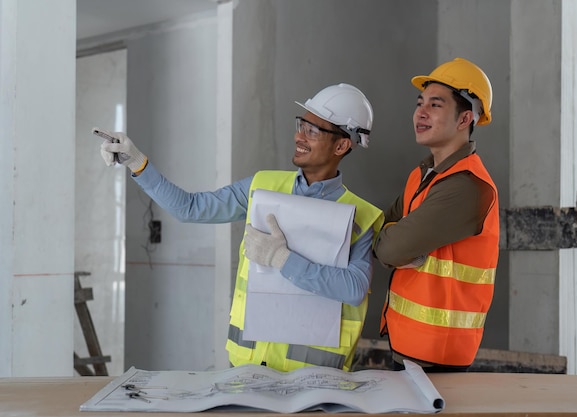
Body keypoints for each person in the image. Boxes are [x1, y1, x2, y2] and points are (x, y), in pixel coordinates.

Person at [97, 83, 384, 372]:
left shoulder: (360, 215)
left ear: (342, 145)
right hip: (248, 370)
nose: (299, 136)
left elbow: (354, 288)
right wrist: (137, 163)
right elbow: (190, 208)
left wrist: (283, 260)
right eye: (301, 125)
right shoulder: (262, 186)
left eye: (313, 130)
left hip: (317, 379)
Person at [374, 58, 500, 372]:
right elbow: (381, 228)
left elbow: (389, 247)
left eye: (435, 104)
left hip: (438, 356)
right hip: (408, 345)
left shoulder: (467, 186)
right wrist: (395, 238)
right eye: (420, 103)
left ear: (464, 118)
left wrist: (397, 241)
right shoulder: (423, 174)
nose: (421, 112)